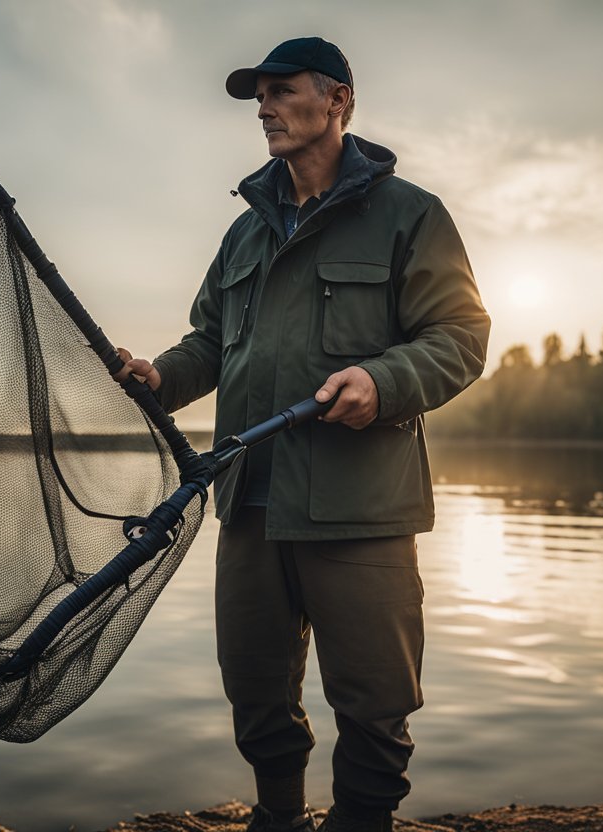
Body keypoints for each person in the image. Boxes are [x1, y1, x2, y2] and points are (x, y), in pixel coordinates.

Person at [117, 37, 490, 832]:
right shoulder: (243, 234)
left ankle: (364, 822)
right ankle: (278, 819)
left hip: (361, 507)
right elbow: (209, 346)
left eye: (282, 92)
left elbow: (460, 337)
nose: (265, 107)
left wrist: (381, 382)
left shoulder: (409, 215)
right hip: (249, 500)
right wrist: (159, 378)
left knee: (375, 697)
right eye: (259, 96)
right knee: (254, 688)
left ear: (338, 101)